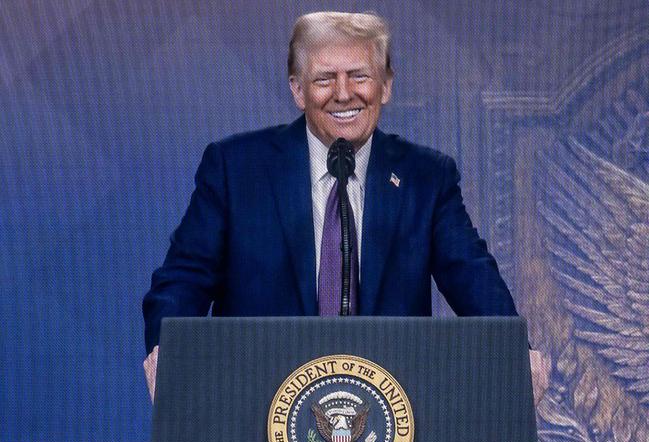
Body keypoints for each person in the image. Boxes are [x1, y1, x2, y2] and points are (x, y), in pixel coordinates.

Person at [142, 11, 550, 403]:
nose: (343, 93)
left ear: (386, 86)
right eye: (324, 79)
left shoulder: (426, 177)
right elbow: (184, 279)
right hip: (256, 405)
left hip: (392, 418)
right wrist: (168, 350)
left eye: (359, 76)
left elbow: (472, 276)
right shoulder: (236, 169)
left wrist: (515, 350)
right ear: (297, 90)